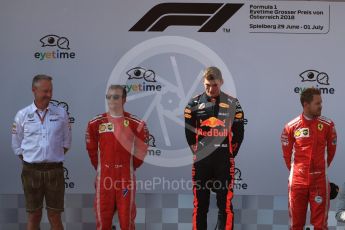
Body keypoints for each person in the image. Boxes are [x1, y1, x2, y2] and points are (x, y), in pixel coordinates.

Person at [184, 66, 245, 230]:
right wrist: (200, 154)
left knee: (224, 206)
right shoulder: (193, 103)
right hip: (202, 162)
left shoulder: (233, 103)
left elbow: (238, 134)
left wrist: (228, 155)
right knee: (200, 206)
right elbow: (189, 135)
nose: (211, 89)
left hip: (224, 162)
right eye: (207, 85)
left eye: (215, 85)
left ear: (221, 82)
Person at [12, 74, 72, 230]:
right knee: (34, 215)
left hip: (55, 170)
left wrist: (51, 157)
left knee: (55, 215)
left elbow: (66, 142)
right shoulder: (22, 115)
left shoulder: (61, 113)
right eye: (45, 91)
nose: (49, 95)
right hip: (31, 171)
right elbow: (17, 146)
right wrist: (34, 159)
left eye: (51, 90)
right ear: (34, 90)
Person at [86, 85, 149, 230]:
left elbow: (141, 150)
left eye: (116, 97)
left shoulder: (136, 123)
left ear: (124, 99)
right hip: (104, 178)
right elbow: (91, 150)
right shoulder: (96, 123)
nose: (111, 100)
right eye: (108, 97)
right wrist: (102, 168)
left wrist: (129, 167)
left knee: (126, 221)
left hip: (125, 179)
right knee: (103, 220)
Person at [281, 87, 337, 230]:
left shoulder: (328, 125)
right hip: (297, 182)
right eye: (317, 103)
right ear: (306, 104)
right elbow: (287, 156)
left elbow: (331, 152)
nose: (321, 106)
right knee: (296, 225)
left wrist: (319, 170)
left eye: (321, 102)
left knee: (320, 225)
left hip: (319, 181)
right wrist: (299, 172)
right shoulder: (290, 127)